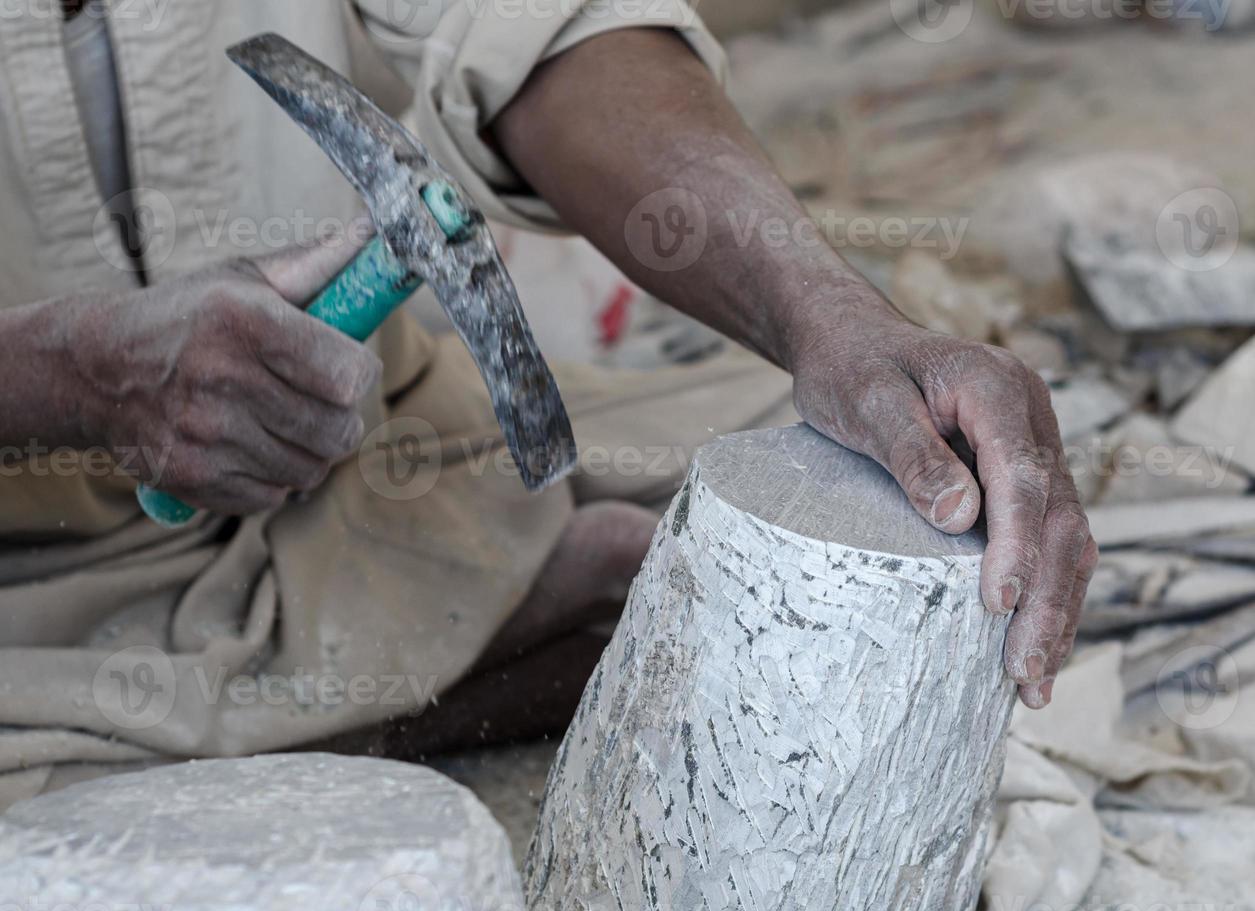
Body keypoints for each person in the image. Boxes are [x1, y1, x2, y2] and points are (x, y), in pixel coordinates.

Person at [0, 0, 1095, 806]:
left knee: (820, 483)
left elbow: (546, 28)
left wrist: (833, 318)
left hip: (369, 444)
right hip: (31, 563)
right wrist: (73, 377)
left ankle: (384, 658)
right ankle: (343, 703)